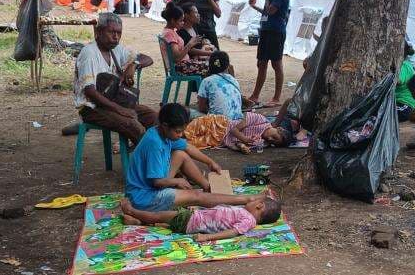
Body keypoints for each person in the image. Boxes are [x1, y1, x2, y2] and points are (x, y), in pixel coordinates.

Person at [125, 103, 261, 211]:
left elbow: (187, 147)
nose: (180, 134)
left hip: (152, 186)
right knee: (197, 196)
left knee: (180, 154)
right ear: (165, 126)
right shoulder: (154, 143)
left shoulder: (162, 133)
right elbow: (157, 182)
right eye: (178, 131)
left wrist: (210, 162)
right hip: (144, 197)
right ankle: (245, 199)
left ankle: (208, 187)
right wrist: (176, 182)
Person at [74, 13, 157, 144]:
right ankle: (146, 160)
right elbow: (90, 92)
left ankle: (158, 156)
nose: (116, 37)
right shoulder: (89, 53)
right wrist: (121, 110)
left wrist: (133, 65)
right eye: (111, 32)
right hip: (92, 108)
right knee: (134, 126)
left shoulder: (117, 49)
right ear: (99, 32)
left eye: (119, 33)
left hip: (115, 103)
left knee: (154, 118)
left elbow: (148, 59)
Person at [120, 197, 281, 242]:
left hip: (191, 221)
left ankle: (132, 211)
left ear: (259, 206)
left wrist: (207, 237)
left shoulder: (248, 221)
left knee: (159, 214)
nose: (249, 201)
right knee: (165, 217)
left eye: (252, 201)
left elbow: (232, 232)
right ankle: (138, 222)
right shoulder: (245, 214)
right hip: (195, 217)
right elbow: (217, 215)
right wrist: (199, 209)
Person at [248, 0, 290, 107]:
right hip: (266, 30)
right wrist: (254, 6)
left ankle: (276, 98)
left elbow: (271, 10)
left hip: (276, 31)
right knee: (261, 63)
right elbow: (266, 12)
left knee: (276, 63)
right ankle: (255, 95)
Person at [184, 112, 292, 153]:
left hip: (219, 140)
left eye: (273, 142)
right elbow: (234, 129)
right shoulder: (260, 119)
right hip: (219, 124)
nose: (270, 139)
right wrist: (244, 139)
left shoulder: (262, 143)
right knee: (187, 131)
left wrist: (241, 147)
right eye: (274, 137)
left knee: (188, 144)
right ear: (279, 129)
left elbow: (236, 143)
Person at [160, 2, 209, 76]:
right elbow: (177, 58)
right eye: (181, 21)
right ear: (173, 20)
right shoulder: (169, 34)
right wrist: (190, 44)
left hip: (184, 65)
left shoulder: (170, 32)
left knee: (214, 62)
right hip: (180, 67)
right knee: (215, 66)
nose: (183, 23)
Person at [198, 51, 243, 120]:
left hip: (218, 124)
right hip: (237, 122)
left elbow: (201, 108)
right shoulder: (234, 80)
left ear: (210, 65)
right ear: (228, 66)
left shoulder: (206, 81)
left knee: (189, 113)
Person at [395, 42, 415, 122]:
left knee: (379, 113)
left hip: (405, 105)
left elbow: (398, 81)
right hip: (399, 103)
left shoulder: (403, 66)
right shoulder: (405, 65)